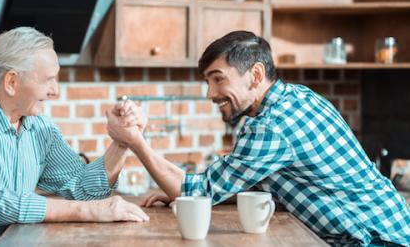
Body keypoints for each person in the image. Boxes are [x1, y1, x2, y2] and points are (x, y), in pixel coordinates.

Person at [106, 31, 410, 246]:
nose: (210, 93)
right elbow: (259, 182)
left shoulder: (270, 125)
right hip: (390, 231)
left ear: (255, 74)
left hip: (373, 241)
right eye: (208, 81)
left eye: (218, 79)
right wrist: (179, 192)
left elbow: (196, 192)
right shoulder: (299, 97)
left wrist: (135, 141)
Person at [0, 27, 149, 247]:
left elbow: (82, 189)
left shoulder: (37, 126)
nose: (55, 91)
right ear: (11, 82)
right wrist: (92, 211)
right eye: (48, 80)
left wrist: (121, 142)